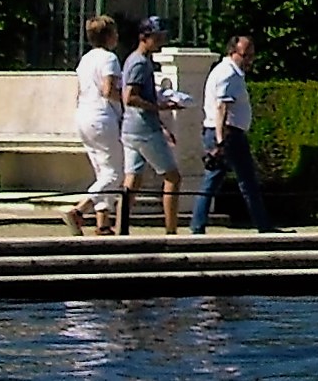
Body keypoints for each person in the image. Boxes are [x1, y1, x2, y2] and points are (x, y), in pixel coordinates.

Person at [188, 35, 276, 234]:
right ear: (232, 52)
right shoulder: (227, 74)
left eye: (252, 55)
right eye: (246, 55)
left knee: (222, 180)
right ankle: (262, 225)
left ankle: (198, 225)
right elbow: (221, 107)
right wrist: (220, 141)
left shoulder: (230, 72)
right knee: (239, 180)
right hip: (228, 134)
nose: (249, 60)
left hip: (227, 133)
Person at [119, 17, 185, 231]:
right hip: (144, 129)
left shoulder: (134, 60)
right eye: (157, 37)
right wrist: (161, 109)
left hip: (130, 128)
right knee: (172, 177)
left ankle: (122, 227)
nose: (160, 42)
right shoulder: (139, 62)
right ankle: (171, 230)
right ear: (144, 37)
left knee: (133, 181)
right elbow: (130, 96)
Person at [67, 14, 125, 235]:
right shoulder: (109, 59)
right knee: (114, 175)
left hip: (84, 115)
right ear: (109, 36)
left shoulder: (86, 59)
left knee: (103, 172)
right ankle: (80, 210)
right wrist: (127, 100)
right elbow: (108, 90)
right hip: (102, 117)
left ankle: (103, 223)